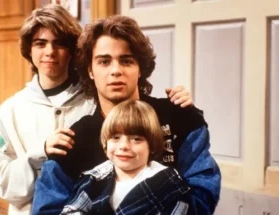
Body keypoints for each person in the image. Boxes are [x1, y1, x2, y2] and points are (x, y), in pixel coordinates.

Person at [0, 5, 191, 215]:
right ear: (29, 50)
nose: (49, 52)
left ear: (73, 51)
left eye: (60, 44)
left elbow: (135, 110)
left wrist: (179, 103)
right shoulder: (11, 110)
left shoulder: (98, 98)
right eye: (40, 44)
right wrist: (39, 155)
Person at [32, 15, 220, 215]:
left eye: (126, 61)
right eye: (104, 62)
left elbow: (203, 192)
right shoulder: (73, 141)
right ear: (90, 70)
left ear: (140, 69)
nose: (116, 71)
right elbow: (46, 210)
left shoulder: (179, 117)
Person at [62, 100, 193, 214]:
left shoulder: (167, 182)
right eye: (115, 138)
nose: (124, 146)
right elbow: (72, 210)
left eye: (136, 139)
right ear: (105, 143)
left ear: (151, 145)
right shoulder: (95, 179)